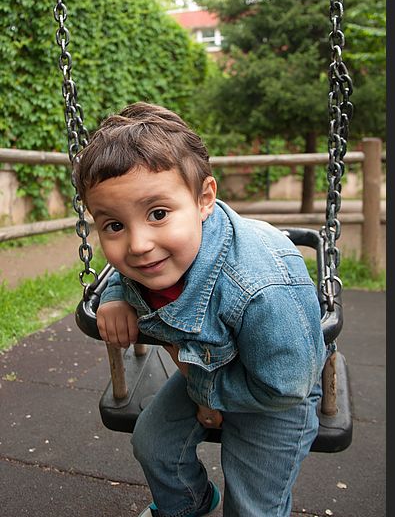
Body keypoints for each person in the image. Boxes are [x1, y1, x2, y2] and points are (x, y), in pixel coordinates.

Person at [74, 102, 327, 517]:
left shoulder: (262, 289)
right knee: (152, 443)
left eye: (158, 214)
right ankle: (188, 505)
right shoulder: (155, 255)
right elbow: (125, 268)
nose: (137, 245)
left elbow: (286, 386)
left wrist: (208, 397)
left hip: (277, 391)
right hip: (208, 367)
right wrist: (115, 294)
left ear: (204, 199)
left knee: (251, 504)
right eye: (114, 226)